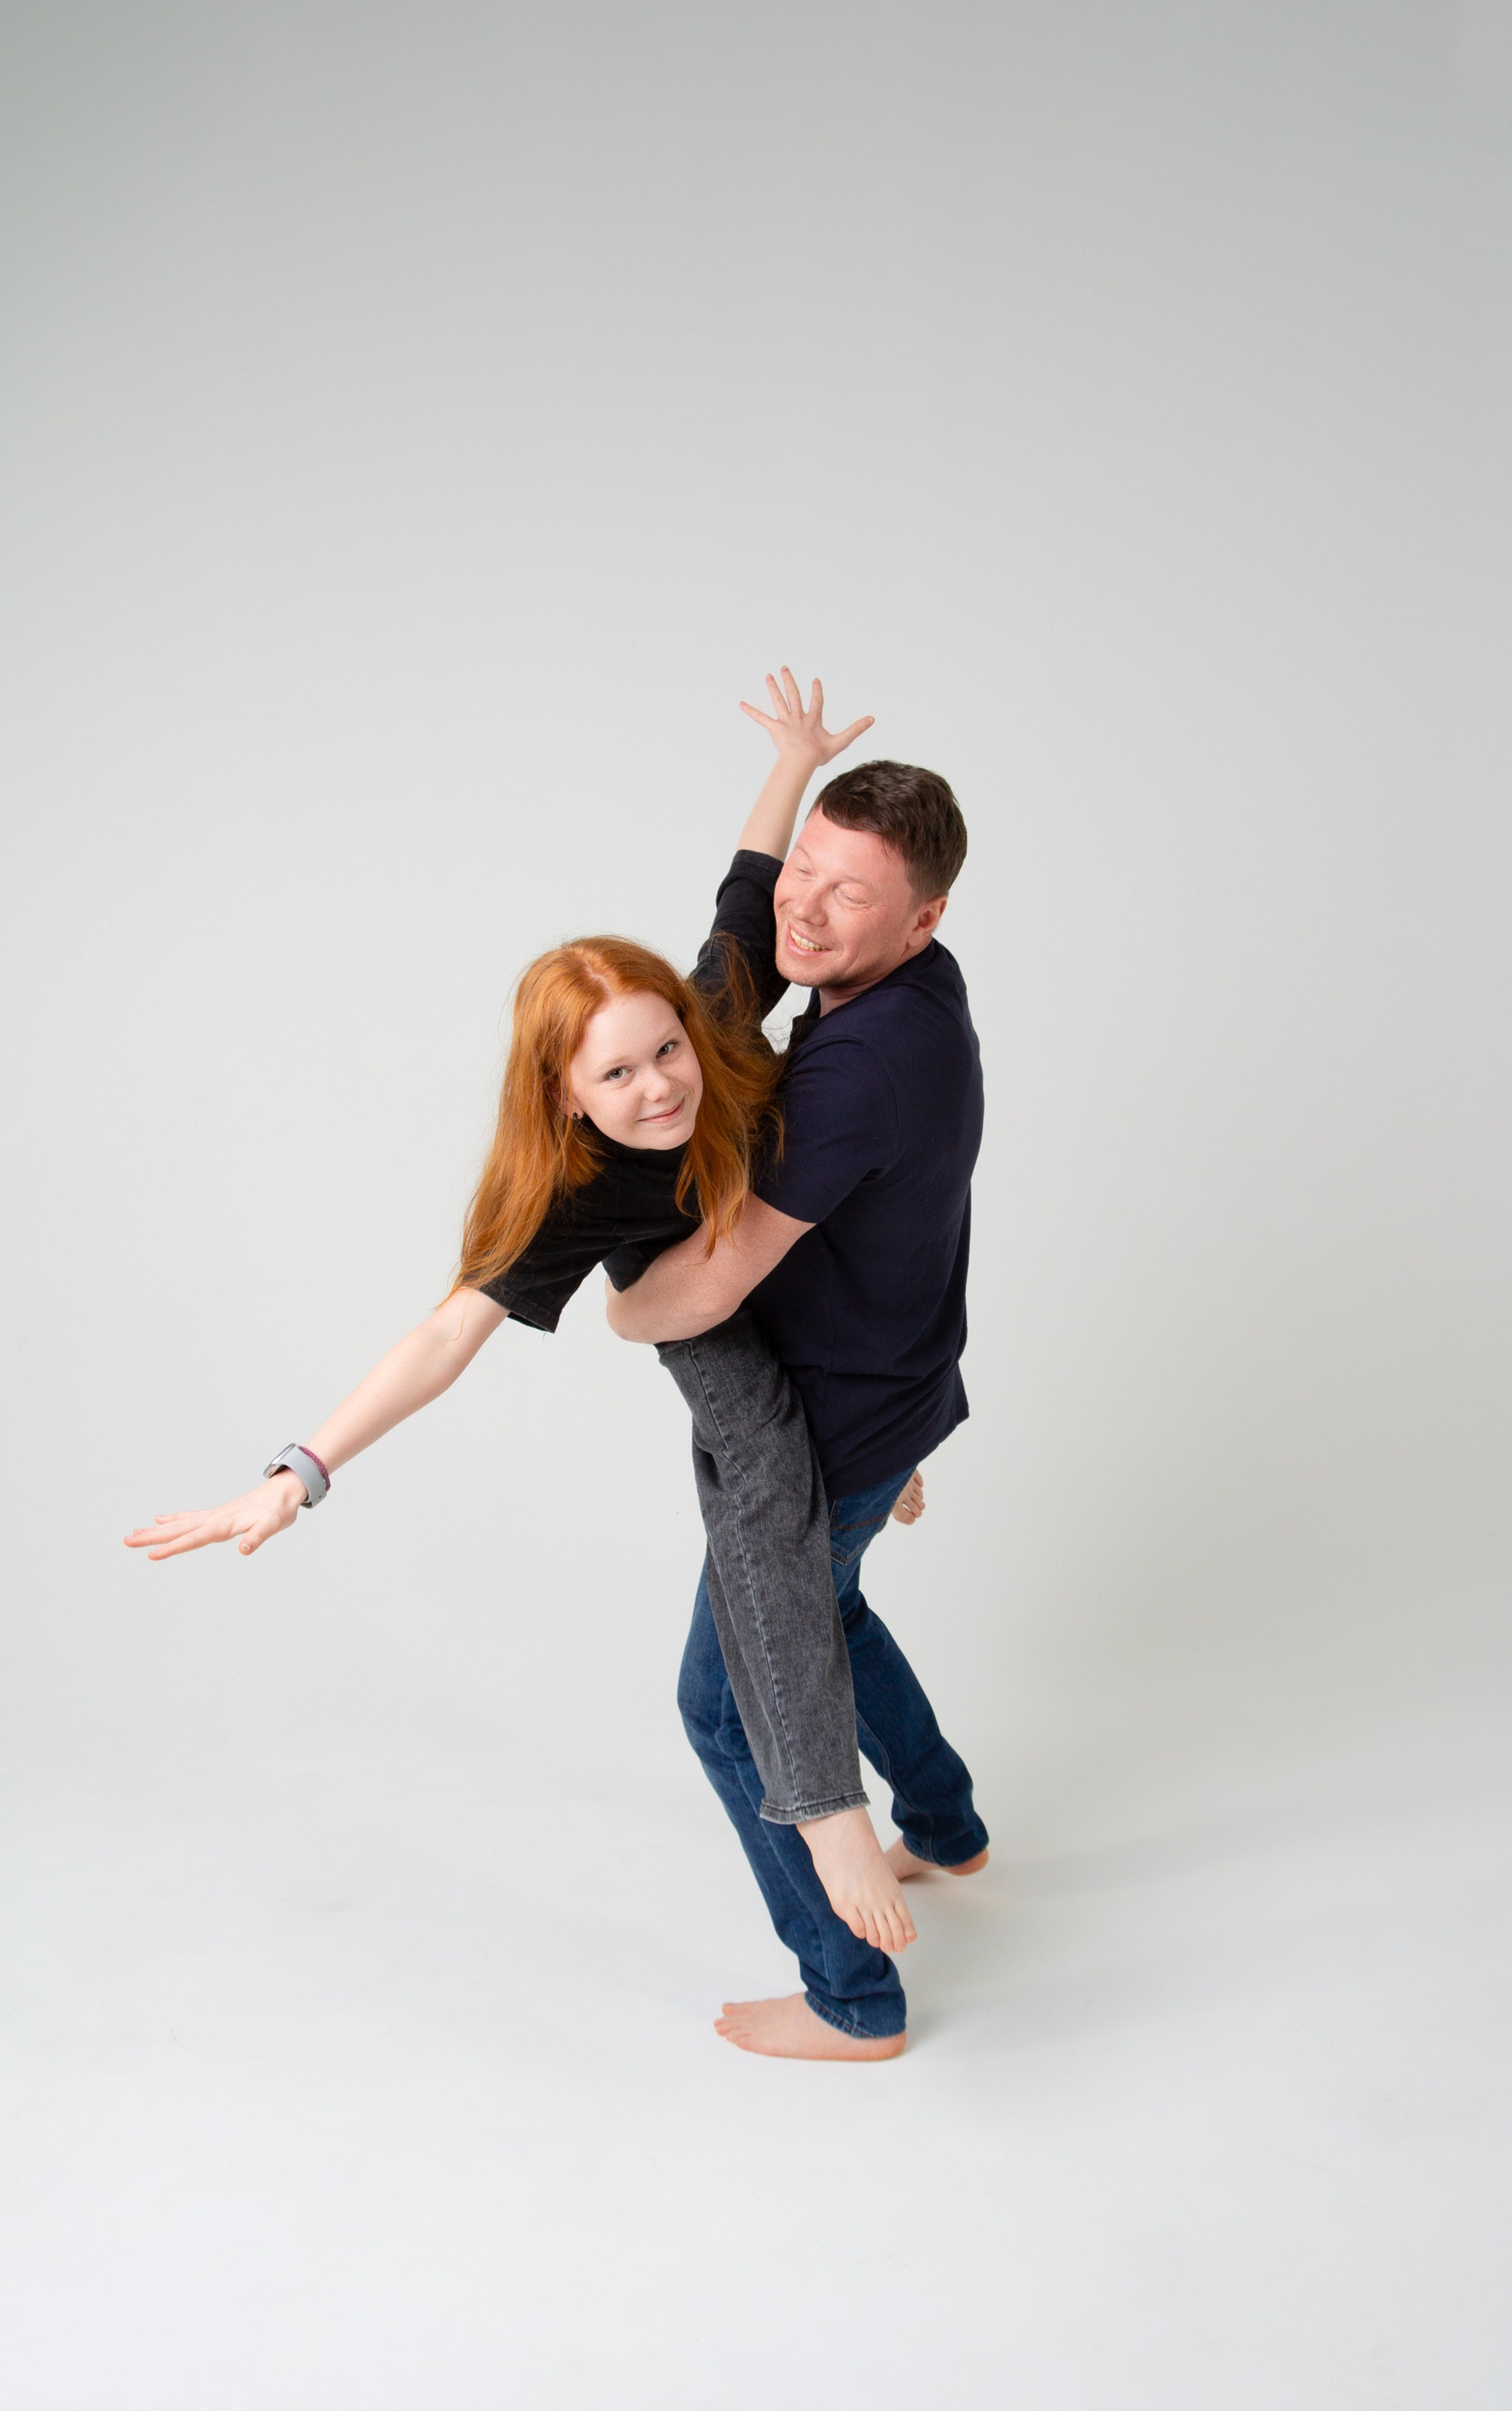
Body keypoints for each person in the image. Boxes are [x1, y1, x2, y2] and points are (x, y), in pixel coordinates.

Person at [124, 675, 918, 1957]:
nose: (660, 1087)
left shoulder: (716, 1019)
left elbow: (751, 878)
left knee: (839, 1306)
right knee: (768, 1471)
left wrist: (795, 760)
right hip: (704, 1314)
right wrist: (297, 1473)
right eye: (617, 1073)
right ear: (565, 1095)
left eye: (665, 1050)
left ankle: (941, 1808)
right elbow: (444, 1336)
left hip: (783, 1259)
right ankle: (830, 1810)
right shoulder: (573, 1192)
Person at [606, 731, 991, 2062]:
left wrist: (621, 1306)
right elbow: (746, 917)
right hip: (897, 1385)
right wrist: (791, 773)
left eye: (849, 894)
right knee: (834, 1609)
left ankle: (853, 1998)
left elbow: (711, 1286)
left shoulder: (856, 1070)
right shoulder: (915, 990)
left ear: (924, 917)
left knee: (726, 1706)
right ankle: (946, 1824)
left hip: (830, 1431)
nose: (806, 912)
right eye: (806, 872)